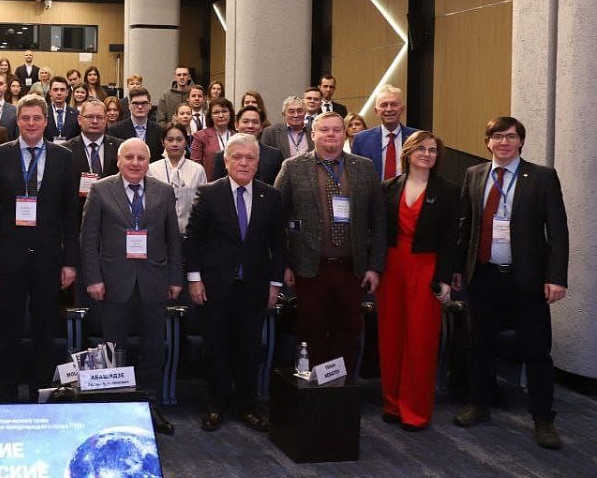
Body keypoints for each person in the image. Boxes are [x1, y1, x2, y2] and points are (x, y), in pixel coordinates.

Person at [453, 117, 569, 450]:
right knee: (480, 345)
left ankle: (543, 419)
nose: (504, 142)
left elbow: (557, 232)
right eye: (497, 136)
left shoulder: (542, 177)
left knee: (536, 350)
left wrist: (556, 277)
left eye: (511, 136)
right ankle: (479, 404)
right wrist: (459, 269)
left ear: (520, 142)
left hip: (527, 279)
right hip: (484, 276)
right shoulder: (474, 174)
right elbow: (465, 226)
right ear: (487, 141)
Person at [0, 94, 81, 401]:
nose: (31, 123)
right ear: (17, 121)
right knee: (8, 329)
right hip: (8, 258)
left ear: (46, 122)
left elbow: (70, 215)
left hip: (49, 259)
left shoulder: (64, 157)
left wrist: (70, 261)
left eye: (37, 118)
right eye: (25, 118)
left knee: (44, 330)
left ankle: (40, 391)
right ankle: (7, 390)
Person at [185, 133, 286, 433]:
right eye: (237, 157)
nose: (243, 162)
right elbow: (193, 239)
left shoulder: (272, 196)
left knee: (249, 349)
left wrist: (275, 284)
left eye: (250, 158)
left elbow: (279, 244)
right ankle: (215, 404)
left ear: (258, 163)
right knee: (216, 347)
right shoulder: (209, 192)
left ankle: (248, 405)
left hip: (255, 286)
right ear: (226, 161)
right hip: (215, 286)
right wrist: (194, 279)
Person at [81, 138, 182, 435]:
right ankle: (115, 408)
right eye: (129, 157)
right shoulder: (100, 190)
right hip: (114, 282)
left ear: (148, 162)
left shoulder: (164, 191)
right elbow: (88, 239)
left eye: (141, 158)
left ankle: (150, 406)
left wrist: (175, 278)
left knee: (153, 349)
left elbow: (173, 239)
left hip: (154, 281)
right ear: (118, 160)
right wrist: (93, 278)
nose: (135, 163)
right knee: (114, 348)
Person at [273, 112, 386, 377]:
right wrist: (284, 263)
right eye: (324, 129)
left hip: (352, 269)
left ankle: (340, 388)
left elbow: (379, 220)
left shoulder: (364, 167)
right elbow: (276, 219)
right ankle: (316, 387)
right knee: (311, 330)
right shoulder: (292, 167)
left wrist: (375, 266)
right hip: (309, 268)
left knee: (347, 330)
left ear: (345, 134)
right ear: (313, 134)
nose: (331, 134)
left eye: (337, 129)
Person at [378, 130, 458, 431]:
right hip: (392, 266)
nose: (427, 154)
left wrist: (445, 278)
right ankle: (391, 403)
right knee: (390, 336)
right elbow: (378, 232)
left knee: (420, 340)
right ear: (408, 152)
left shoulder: (448, 191)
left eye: (433, 150)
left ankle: (415, 411)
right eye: (421, 149)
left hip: (426, 267)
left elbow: (451, 239)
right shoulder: (388, 187)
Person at [64, 100, 123, 212]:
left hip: (112, 213)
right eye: (89, 117)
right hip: (76, 213)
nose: (95, 121)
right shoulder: (65, 150)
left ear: (106, 120)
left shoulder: (120, 148)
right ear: (79, 120)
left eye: (100, 117)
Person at [350, 85, 418, 181]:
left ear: (402, 109)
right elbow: (354, 176)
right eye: (384, 105)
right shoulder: (361, 140)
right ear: (376, 111)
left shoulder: (416, 138)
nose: (389, 109)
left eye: (394, 104)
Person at [149, 123, 207, 234]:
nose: (175, 144)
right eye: (170, 140)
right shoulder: (152, 169)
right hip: (159, 231)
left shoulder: (197, 169)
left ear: (186, 142)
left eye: (179, 140)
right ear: (163, 142)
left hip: (189, 231)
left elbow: (202, 204)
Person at [211, 106, 283, 185]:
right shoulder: (221, 156)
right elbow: (217, 188)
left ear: (261, 127)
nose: (250, 126)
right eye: (245, 122)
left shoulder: (274, 156)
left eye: (255, 122)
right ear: (236, 125)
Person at [109, 86, 163, 161]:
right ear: (129, 105)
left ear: (150, 106)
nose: (140, 107)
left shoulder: (159, 131)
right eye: (135, 103)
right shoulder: (115, 130)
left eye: (144, 103)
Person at [190, 97, 234, 177]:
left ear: (230, 113)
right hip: (209, 182)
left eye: (224, 111)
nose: (221, 115)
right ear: (210, 116)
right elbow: (195, 167)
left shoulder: (237, 136)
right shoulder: (200, 136)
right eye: (216, 112)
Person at [44, 77, 80, 143]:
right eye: (55, 90)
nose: (59, 93)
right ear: (50, 92)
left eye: (62, 90)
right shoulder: (43, 113)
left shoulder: (76, 114)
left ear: (67, 93)